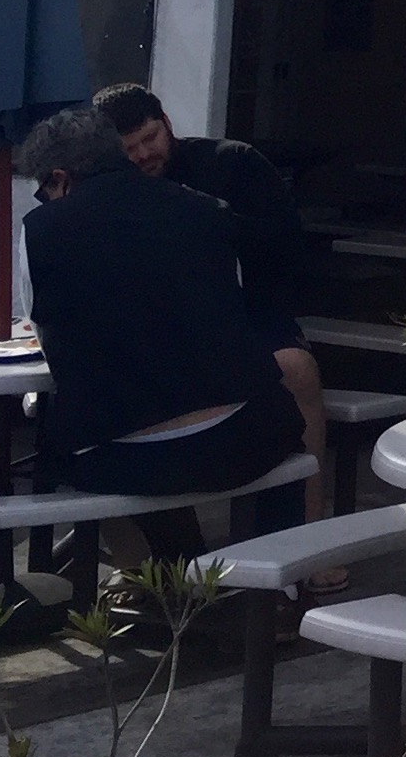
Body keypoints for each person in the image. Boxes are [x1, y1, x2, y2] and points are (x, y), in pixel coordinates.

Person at [15, 107, 303, 566]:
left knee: (68, 447)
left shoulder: (41, 230)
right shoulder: (206, 208)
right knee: (282, 419)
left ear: (60, 179)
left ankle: (148, 575)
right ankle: (282, 577)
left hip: (124, 460)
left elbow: (49, 339)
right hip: (242, 442)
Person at [93, 82, 331, 529]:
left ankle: (304, 535)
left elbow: (289, 250)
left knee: (297, 370)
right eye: (129, 149)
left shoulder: (231, 162)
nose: (143, 155)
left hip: (246, 316)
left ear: (167, 123)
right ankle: (154, 551)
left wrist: (205, 216)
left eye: (150, 138)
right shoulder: (104, 189)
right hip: (150, 331)